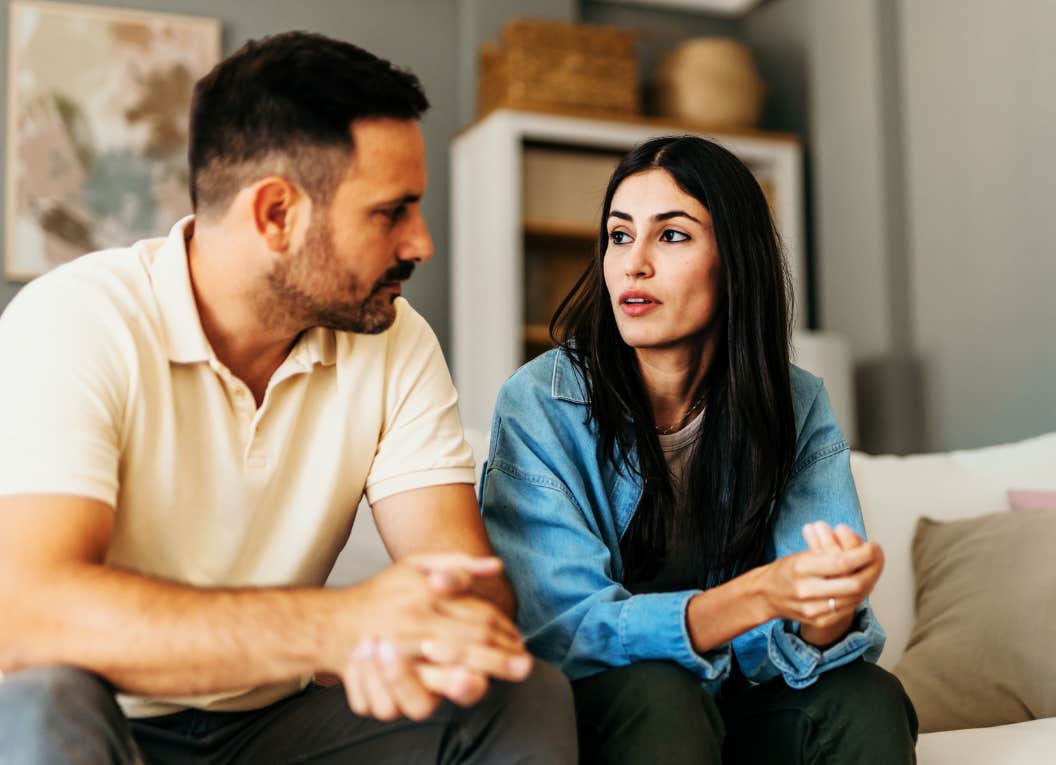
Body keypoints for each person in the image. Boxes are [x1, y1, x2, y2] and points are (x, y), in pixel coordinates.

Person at [0, 31, 574, 765]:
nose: (421, 242)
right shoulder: (76, 320)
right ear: (276, 214)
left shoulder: (395, 340)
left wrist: (434, 635)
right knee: (42, 699)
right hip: (104, 714)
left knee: (520, 696)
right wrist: (331, 626)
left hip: (275, 728)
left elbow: (470, 591)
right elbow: (29, 612)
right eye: (391, 212)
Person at [479, 135, 918, 763]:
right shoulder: (541, 402)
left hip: (730, 700)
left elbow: (801, 646)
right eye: (620, 235)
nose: (633, 265)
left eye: (673, 235)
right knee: (662, 694)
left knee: (866, 695)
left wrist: (830, 603)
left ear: (733, 259)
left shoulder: (796, 403)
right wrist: (757, 597)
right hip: (599, 707)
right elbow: (561, 632)